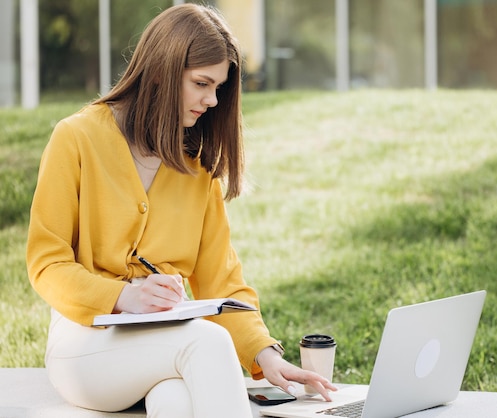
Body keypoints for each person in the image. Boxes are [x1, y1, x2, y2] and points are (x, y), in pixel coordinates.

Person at [26, 4, 336, 417]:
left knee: (177, 402)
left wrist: (267, 357)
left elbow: (221, 283)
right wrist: (123, 295)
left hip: (164, 347)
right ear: (161, 71)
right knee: (205, 341)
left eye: (218, 88)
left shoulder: (196, 167)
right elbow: (46, 264)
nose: (212, 100)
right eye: (201, 83)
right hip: (84, 345)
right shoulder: (76, 138)